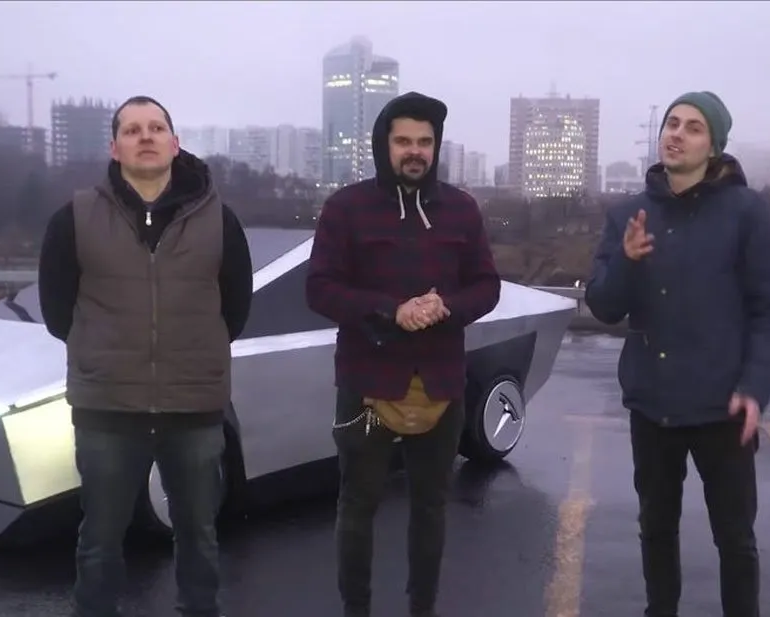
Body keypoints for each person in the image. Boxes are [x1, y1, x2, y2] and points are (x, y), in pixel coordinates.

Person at [38, 95, 253, 617]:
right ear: (115, 148)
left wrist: (190, 356)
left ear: (175, 144)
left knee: (199, 536)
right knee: (100, 540)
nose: (146, 136)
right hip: (108, 407)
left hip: (193, 406)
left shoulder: (219, 220)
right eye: (132, 130)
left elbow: (236, 308)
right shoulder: (75, 218)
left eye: (156, 127)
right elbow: (57, 311)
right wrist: (105, 357)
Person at [305, 91, 501, 617]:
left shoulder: (461, 209)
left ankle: (422, 608)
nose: (415, 151)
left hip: (441, 382)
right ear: (384, 145)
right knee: (357, 506)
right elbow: (320, 289)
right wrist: (391, 310)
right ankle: (356, 609)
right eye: (404, 141)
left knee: (431, 507)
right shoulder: (346, 208)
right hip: (366, 384)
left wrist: (446, 307)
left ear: (436, 146)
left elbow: (487, 286)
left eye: (425, 142)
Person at [585, 91, 770, 617]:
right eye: (672, 123)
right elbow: (603, 305)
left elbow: (768, 310)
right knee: (656, 528)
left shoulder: (746, 212)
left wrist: (755, 387)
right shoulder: (629, 214)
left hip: (723, 406)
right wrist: (626, 261)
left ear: (714, 146)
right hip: (653, 404)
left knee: (735, 539)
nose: (676, 134)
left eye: (693, 127)